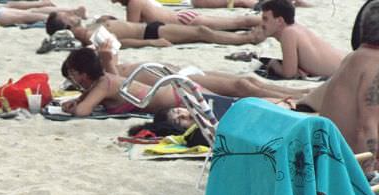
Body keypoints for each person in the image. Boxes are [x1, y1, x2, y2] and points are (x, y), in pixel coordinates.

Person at [58, 47, 302, 118]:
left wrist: (76, 105)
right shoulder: (101, 83)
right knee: (237, 99)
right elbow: (83, 102)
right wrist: (75, 100)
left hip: (180, 95)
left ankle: (291, 102)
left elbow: (83, 111)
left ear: (82, 72)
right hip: (178, 91)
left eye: (72, 72)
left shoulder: (104, 83)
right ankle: (291, 101)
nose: (71, 78)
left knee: (237, 103)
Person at [319, 1, 379, 177]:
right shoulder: (375, 66)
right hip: (349, 166)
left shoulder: (352, 58)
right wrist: (368, 176)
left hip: (329, 157)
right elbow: (365, 128)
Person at [46, 12, 258, 47]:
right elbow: (120, 43)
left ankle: (244, 34)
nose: (71, 14)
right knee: (201, 33)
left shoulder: (90, 26)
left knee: (201, 31)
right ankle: (246, 39)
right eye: (67, 17)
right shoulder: (89, 35)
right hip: (150, 33)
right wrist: (150, 43)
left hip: (150, 28)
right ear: (66, 26)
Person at [259, 0, 345, 78]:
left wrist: (273, 64)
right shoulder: (296, 28)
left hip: (345, 74)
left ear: (280, 21)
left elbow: (289, 74)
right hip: (346, 66)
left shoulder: (288, 33)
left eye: (265, 19)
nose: (262, 23)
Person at [111, 0, 260, 31]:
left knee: (234, 23)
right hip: (182, 17)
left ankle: (264, 19)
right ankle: (263, 20)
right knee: (233, 23)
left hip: (183, 20)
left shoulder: (134, 3)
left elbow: (133, 29)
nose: (113, 1)